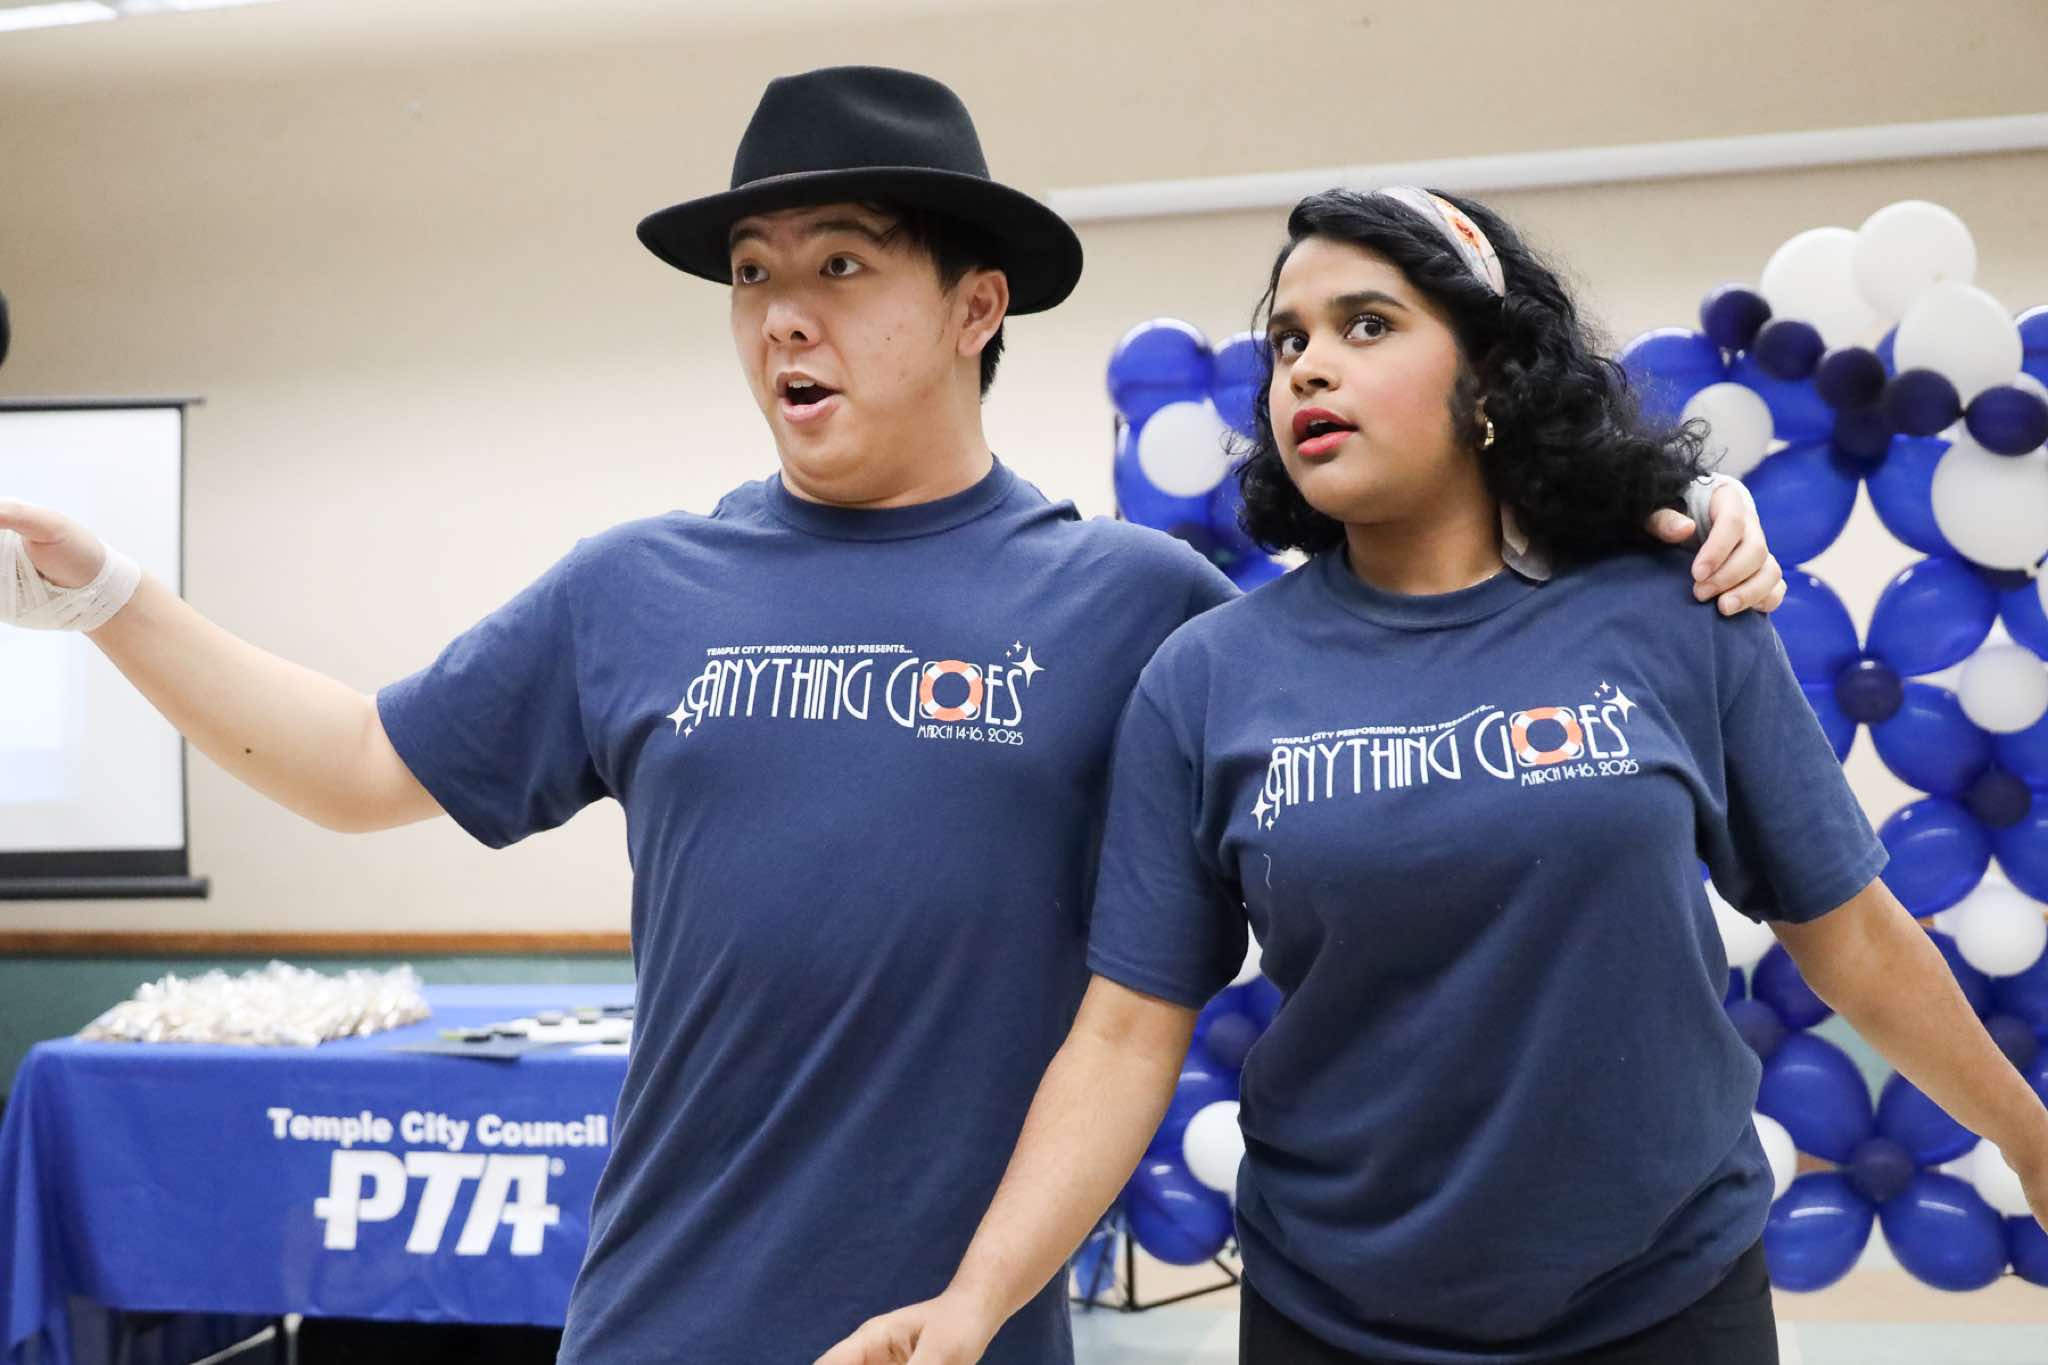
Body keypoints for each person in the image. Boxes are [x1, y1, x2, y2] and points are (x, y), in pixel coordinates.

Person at [0, 73, 1785, 1363]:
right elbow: (355, 767)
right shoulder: (635, 589)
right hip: (659, 1324)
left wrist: (1650, 525)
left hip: (961, 1332)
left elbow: (1410, 670)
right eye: (752, 275)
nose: (783, 317)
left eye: (841, 267)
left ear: (974, 306)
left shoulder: (1140, 609)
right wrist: (110, 599)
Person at [817, 188, 2048, 1365]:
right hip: (1333, 1315)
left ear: (1491, 378)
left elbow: (1848, 932)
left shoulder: (1675, 612)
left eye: (1366, 325)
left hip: (1661, 1300)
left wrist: (2030, 1145)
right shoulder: (1206, 679)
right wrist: (974, 1303)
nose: (1307, 367)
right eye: (1287, 340)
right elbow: (1125, 1035)